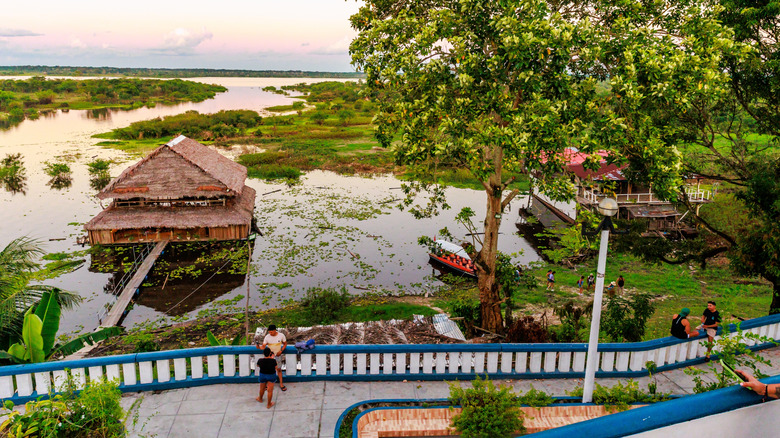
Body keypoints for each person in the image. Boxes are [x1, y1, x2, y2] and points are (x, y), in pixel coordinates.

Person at [259, 324, 287, 391]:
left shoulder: (281, 335)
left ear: (275, 330)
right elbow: (263, 346)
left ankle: (281, 384)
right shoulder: (267, 337)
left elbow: (285, 344)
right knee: (268, 370)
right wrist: (259, 347)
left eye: (271, 332)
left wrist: (281, 350)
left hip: (277, 355)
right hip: (269, 356)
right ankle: (266, 384)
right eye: (269, 332)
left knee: (279, 369)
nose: (270, 333)